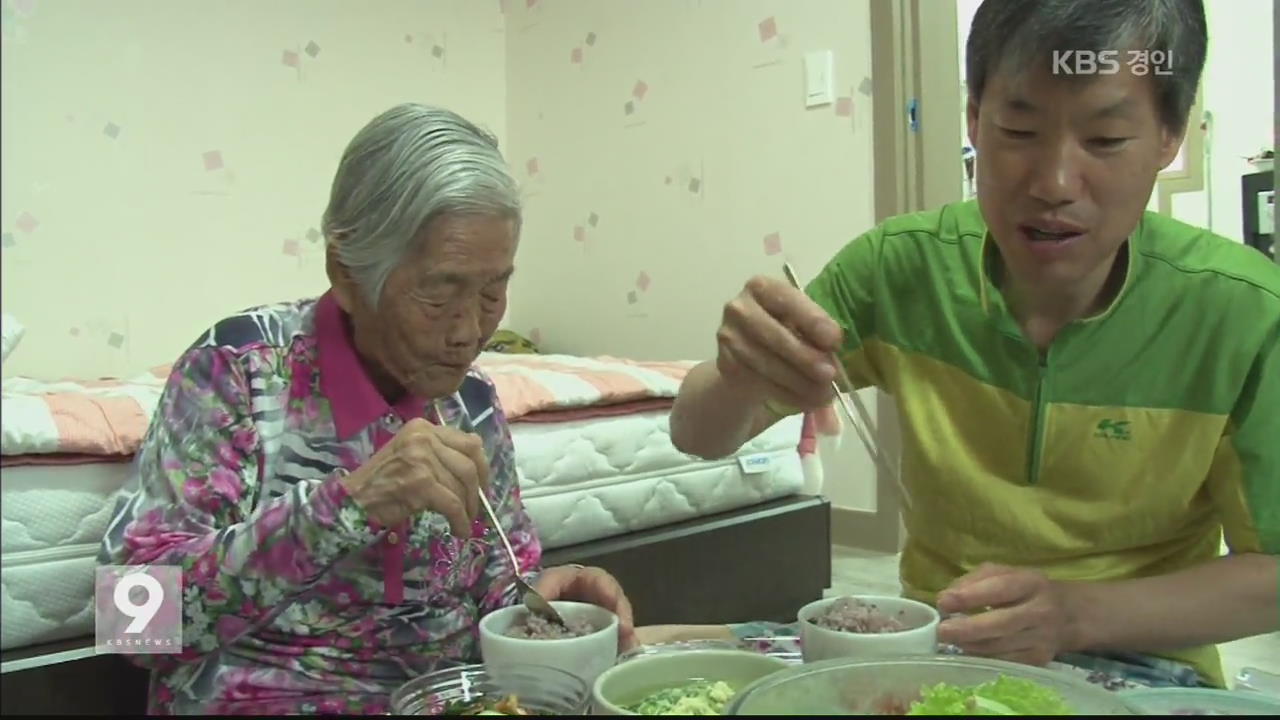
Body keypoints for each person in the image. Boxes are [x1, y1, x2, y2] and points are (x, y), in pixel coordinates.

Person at [669, 0, 1278, 691]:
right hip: (934, 654)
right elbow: (697, 434)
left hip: (1144, 662)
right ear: (972, 120)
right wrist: (738, 374)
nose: (1052, 185)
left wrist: (1077, 614)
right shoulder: (899, 269)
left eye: (1105, 141)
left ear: (1172, 136)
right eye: (1017, 130)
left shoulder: (1246, 313)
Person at [98, 103, 635, 715]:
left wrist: (545, 599)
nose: (470, 330)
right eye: (439, 291)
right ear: (346, 273)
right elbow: (130, 623)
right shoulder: (237, 370)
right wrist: (345, 508)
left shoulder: (472, 400)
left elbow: (496, 587)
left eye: (494, 290)